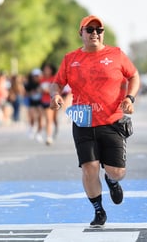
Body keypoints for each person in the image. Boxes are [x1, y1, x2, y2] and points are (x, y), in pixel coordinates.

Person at [49, 15, 140, 227]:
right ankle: (99, 210)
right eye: (89, 30)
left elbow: (134, 76)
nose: (95, 34)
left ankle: (111, 180)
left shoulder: (116, 54)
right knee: (89, 168)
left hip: (112, 120)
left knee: (117, 171)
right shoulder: (70, 59)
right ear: (80, 33)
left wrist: (130, 97)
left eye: (99, 30)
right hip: (83, 120)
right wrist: (55, 95)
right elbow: (56, 83)